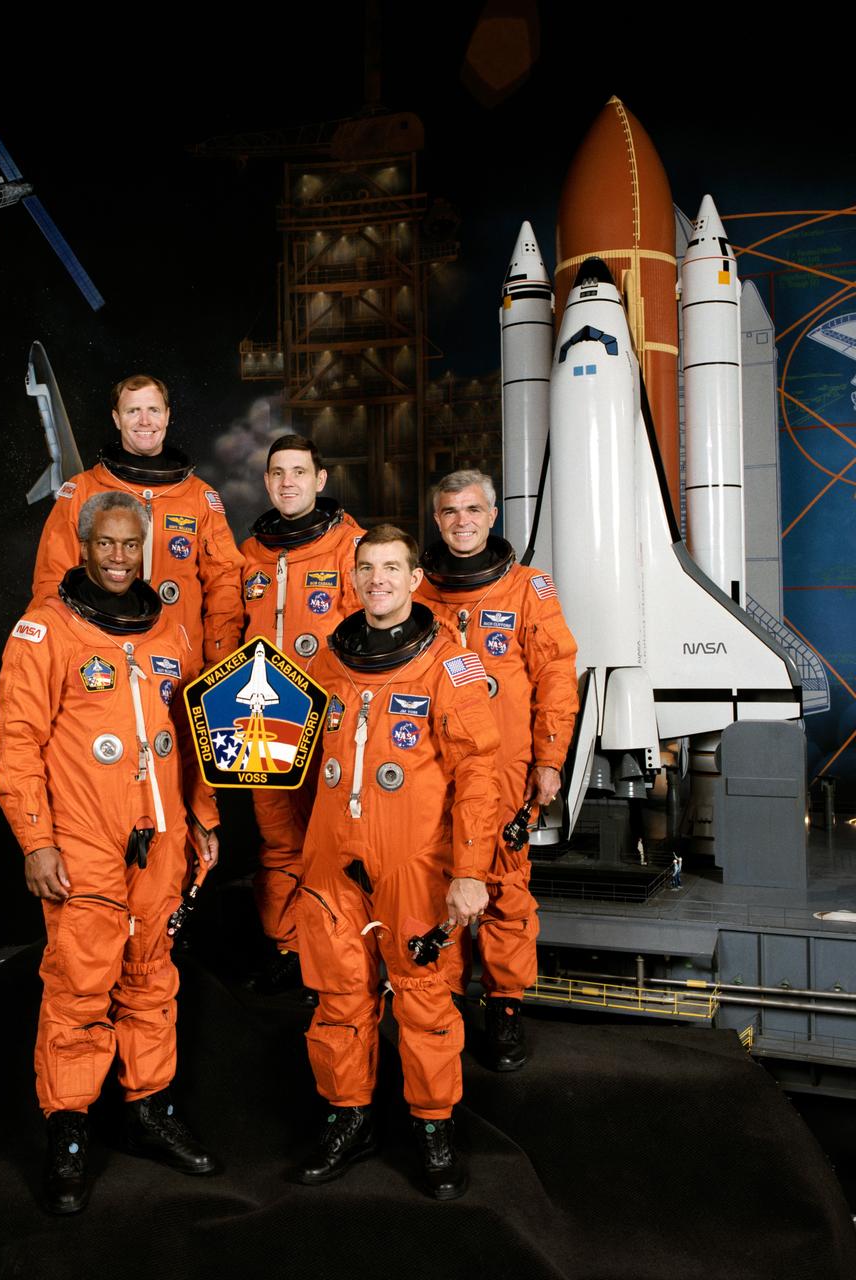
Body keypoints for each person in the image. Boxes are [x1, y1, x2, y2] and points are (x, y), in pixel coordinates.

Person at [0, 491, 221, 1215]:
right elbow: (15, 747)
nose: (119, 558)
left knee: (151, 976)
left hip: (162, 837)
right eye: (107, 544)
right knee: (80, 985)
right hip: (84, 839)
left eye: (130, 545)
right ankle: (69, 1129)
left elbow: (193, 732)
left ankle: (148, 1108)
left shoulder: (169, 631)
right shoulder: (45, 629)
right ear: (84, 548)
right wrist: (36, 841)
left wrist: (203, 817)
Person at [294, 525, 500, 1200]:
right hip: (333, 857)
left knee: (424, 995)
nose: (376, 579)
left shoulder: (450, 664)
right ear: (352, 578)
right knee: (337, 995)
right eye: (366, 568)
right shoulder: (328, 660)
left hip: (414, 859)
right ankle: (348, 1117)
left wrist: (469, 870)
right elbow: (290, 754)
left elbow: (478, 773)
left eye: (390, 568)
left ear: (414, 580)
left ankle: (434, 1129)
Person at [417, 470, 578, 1072]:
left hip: (506, 767)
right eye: (450, 511)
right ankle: (443, 999)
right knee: (436, 880)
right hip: (433, 764)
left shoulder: (527, 589)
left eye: (472, 509)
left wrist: (550, 757)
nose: (462, 521)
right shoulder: (417, 592)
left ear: (492, 515)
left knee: (504, 886)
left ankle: (505, 1003)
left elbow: (555, 675)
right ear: (437, 520)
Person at [238, 434, 364, 991]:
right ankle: (287, 947)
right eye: (278, 473)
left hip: (330, 720)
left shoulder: (350, 548)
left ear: (320, 479)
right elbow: (228, 630)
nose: (288, 482)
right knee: (279, 842)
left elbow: (369, 639)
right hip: (263, 717)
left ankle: (337, 955)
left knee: (333, 842)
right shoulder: (249, 554)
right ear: (267, 482)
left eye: (299, 472)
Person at [32, 374, 244, 673]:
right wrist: (56, 659)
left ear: (167, 416)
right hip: (99, 666)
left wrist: (220, 665)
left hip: (182, 667)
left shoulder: (199, 497)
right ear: (117, 419)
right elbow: (52, 582)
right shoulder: (82, 491)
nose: (145, 421)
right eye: (133, 411)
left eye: (153, 410)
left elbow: (224, 586)